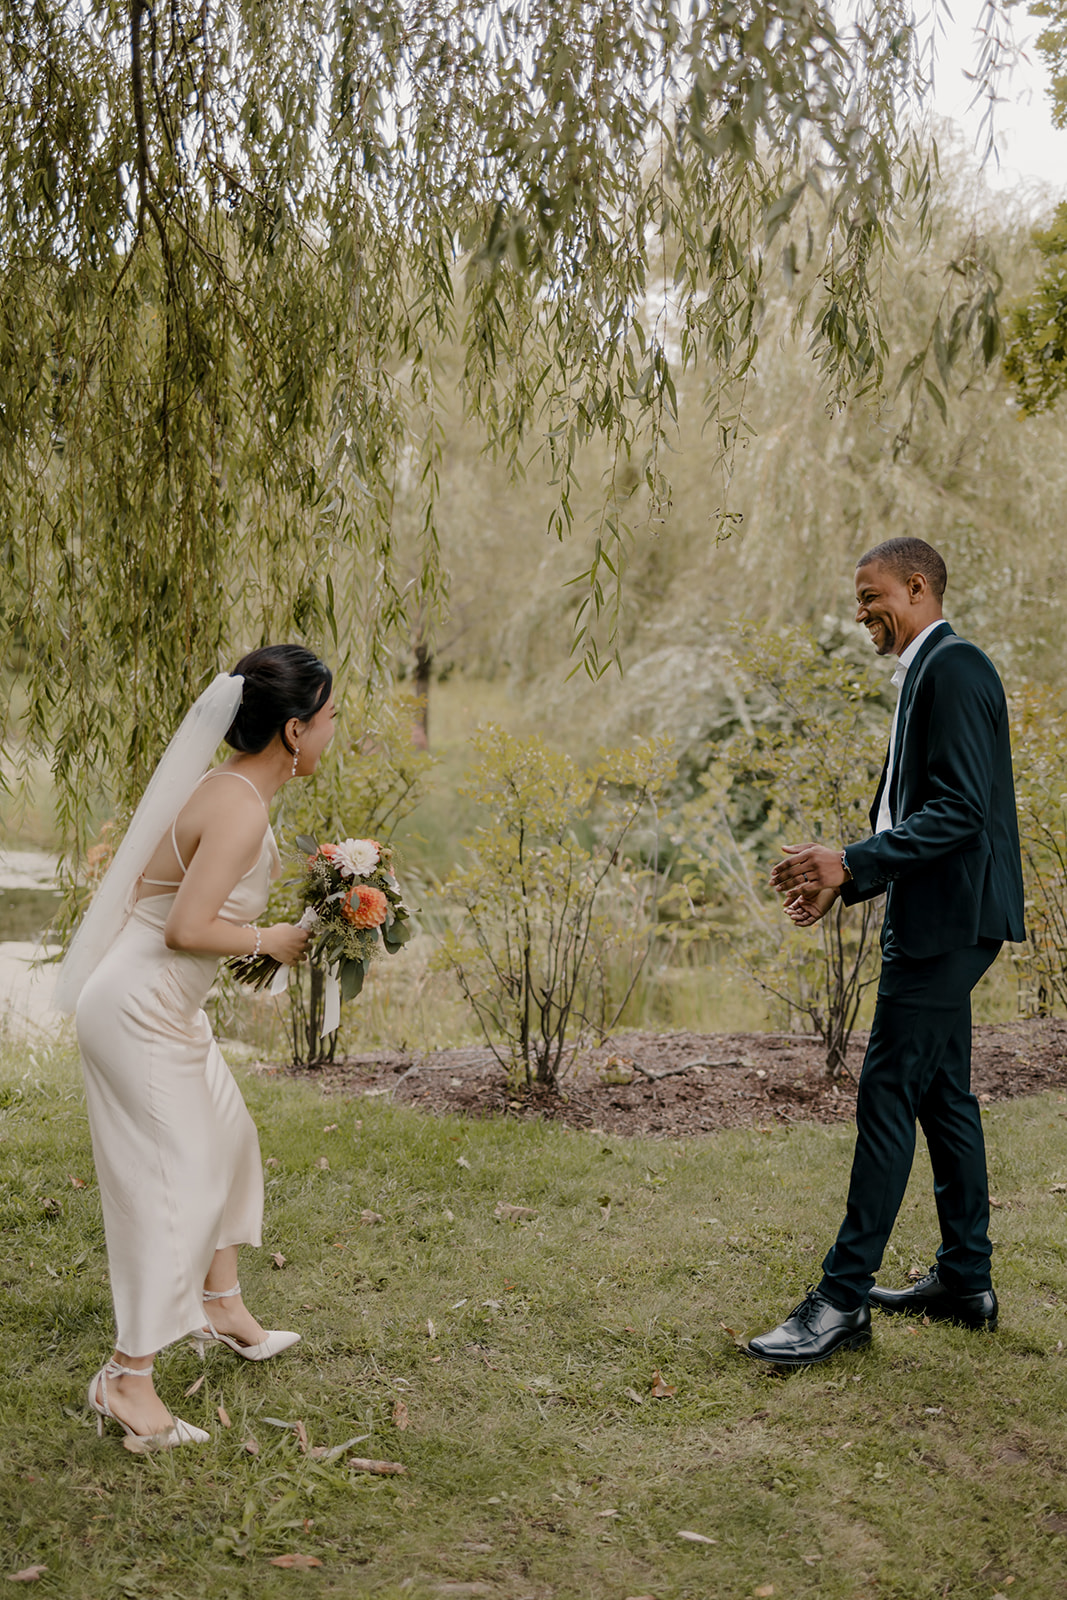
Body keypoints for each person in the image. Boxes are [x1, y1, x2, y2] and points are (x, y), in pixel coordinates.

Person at [746, 538, 1025, 1368]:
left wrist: (854, 862)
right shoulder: (926, 671)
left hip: (949, 921)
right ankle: (964, 1282)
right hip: (937, 911)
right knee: (941, 1094)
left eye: (870, 595)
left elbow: (962, 813)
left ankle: (839, 1301)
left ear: (916, 585)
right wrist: (851, 876)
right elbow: (918, 808)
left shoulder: (957, 668)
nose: (859, 609)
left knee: (886, 1090)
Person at [59, 646, 336, 1444]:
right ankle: (126, 1379)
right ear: (293, 730)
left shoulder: (237, 789)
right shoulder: (240, 805)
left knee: (229, 1138)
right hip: (139, 1005)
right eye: (327, 720)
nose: (331, 732)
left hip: (166, 1004)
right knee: (176, 1180)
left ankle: (221, 1309)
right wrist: (271, 940)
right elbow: (185, 927)